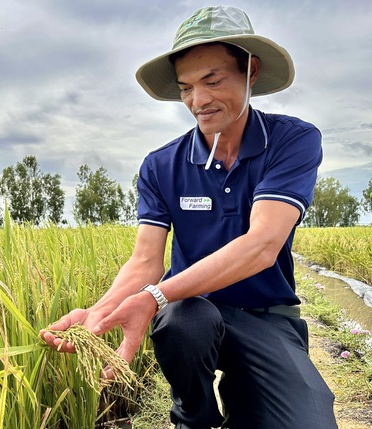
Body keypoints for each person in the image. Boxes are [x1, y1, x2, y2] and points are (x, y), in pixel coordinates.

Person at [40, 5, 338, 429]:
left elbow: (262, 246)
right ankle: (193, 416)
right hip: (192, 314)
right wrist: (100, 313)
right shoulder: (162, 165)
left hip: (266, 316)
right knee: (182, 321)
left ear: (250, 70)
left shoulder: (292, 141)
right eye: (186, 88)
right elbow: (146, 262)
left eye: (213, 81)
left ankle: (250, 404)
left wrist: (152, 297)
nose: (198, 101)